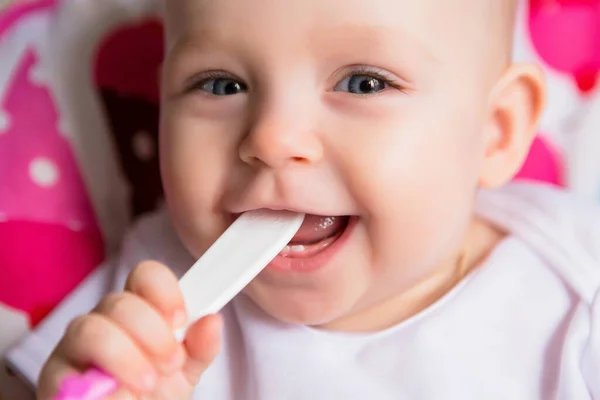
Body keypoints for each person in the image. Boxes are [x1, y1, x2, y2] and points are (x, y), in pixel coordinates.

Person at [23, 0, 600, 398]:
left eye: (364, 83)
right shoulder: (158, 289)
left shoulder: (576, 281)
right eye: (221, 84)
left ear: (494, 130)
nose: (271, 139)